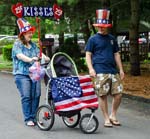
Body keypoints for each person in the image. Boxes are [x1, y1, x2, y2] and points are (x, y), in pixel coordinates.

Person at [85, 9, 125, 127]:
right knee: (102, 95)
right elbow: (88, 54)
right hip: (100, 70)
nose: (101, 28)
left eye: (103, 26)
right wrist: (91, 69)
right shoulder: (93, 39)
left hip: (113, 70)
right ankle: (106, 118)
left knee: (118, 94)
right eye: (99, 26)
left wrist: (121, 69)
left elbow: (116, 54)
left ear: (107, 26)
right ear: (97, 26)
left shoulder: (112, 39)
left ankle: (113, 114)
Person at [12, 18, 50, 126]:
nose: (31, 34)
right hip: (22, 74)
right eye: (28, 33)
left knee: (36, 95)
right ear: (22, 34)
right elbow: (20, 55)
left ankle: (35, 117)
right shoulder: (17, 44)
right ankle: (28, 118)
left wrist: (47, 58)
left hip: (34, 74)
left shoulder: (33, 45)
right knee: (27, 96)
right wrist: (30, 59)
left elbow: (40, 54)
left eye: (31, 32)